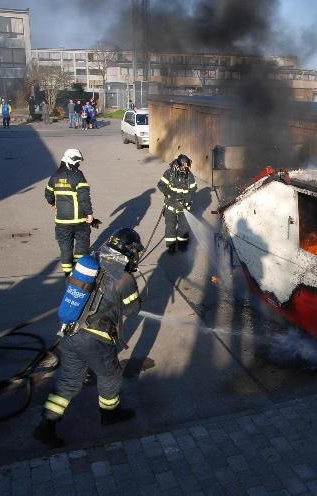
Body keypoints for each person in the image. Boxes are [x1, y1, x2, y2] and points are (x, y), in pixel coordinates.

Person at [32, 227, 144, 448]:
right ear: (128, 251)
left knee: (69, 381)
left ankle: (46, 424)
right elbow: (132, 311)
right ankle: (110, 413)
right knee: (110, 376)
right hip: (96, 340)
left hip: (70, 334)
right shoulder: (124, 279)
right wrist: (131, 282)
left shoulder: (92, 262)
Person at [45, 149, 94, 276]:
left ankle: (68, 273)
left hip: (62, 221)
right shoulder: (78, 175)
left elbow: (48, 194)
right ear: (71, 161)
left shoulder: (54, 176)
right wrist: (89, 213)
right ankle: (79, 272)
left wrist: (53, 204)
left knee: (65, 247)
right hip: (79, 220)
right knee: (81, 245)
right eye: (77, 162)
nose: (78, 165)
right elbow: (84, 196)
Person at [157, 154, 197, 253]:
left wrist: (186, 201)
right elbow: (161, 184)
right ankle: (171, 246)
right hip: (170, 206)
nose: (186, 169)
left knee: (184, 227)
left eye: (188, 166)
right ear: (179, 165)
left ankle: (182, 245)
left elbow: (193, 189)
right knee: (170, 227)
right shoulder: (169, 173)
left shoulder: (190, 176)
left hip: (184, 207)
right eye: (184, 166)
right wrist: (169, 194)